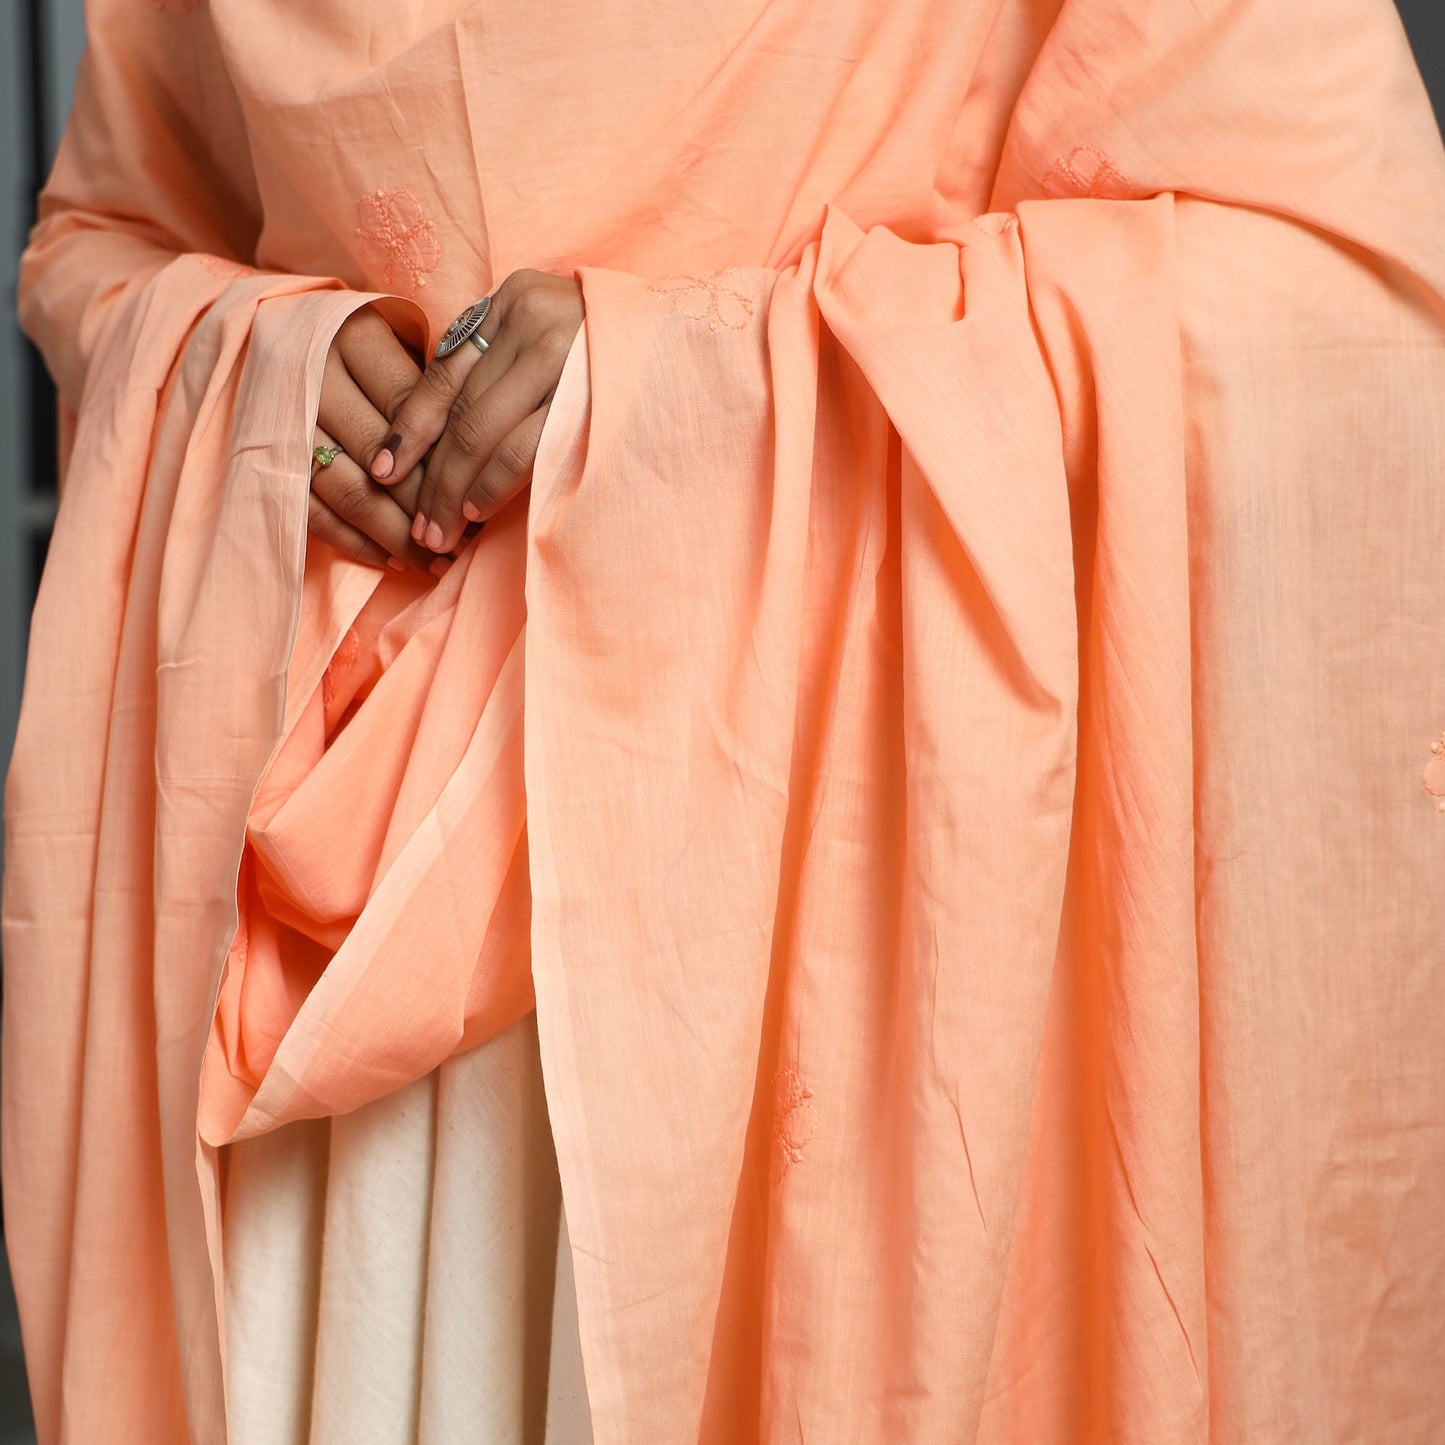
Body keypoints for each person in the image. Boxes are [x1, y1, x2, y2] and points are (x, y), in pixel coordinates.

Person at [5, 0, 1445, 1440]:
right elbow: (104, 240)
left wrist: (704, 379)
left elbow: (1333, 299)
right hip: (350, 943)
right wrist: (265, 366)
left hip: (833, 889)